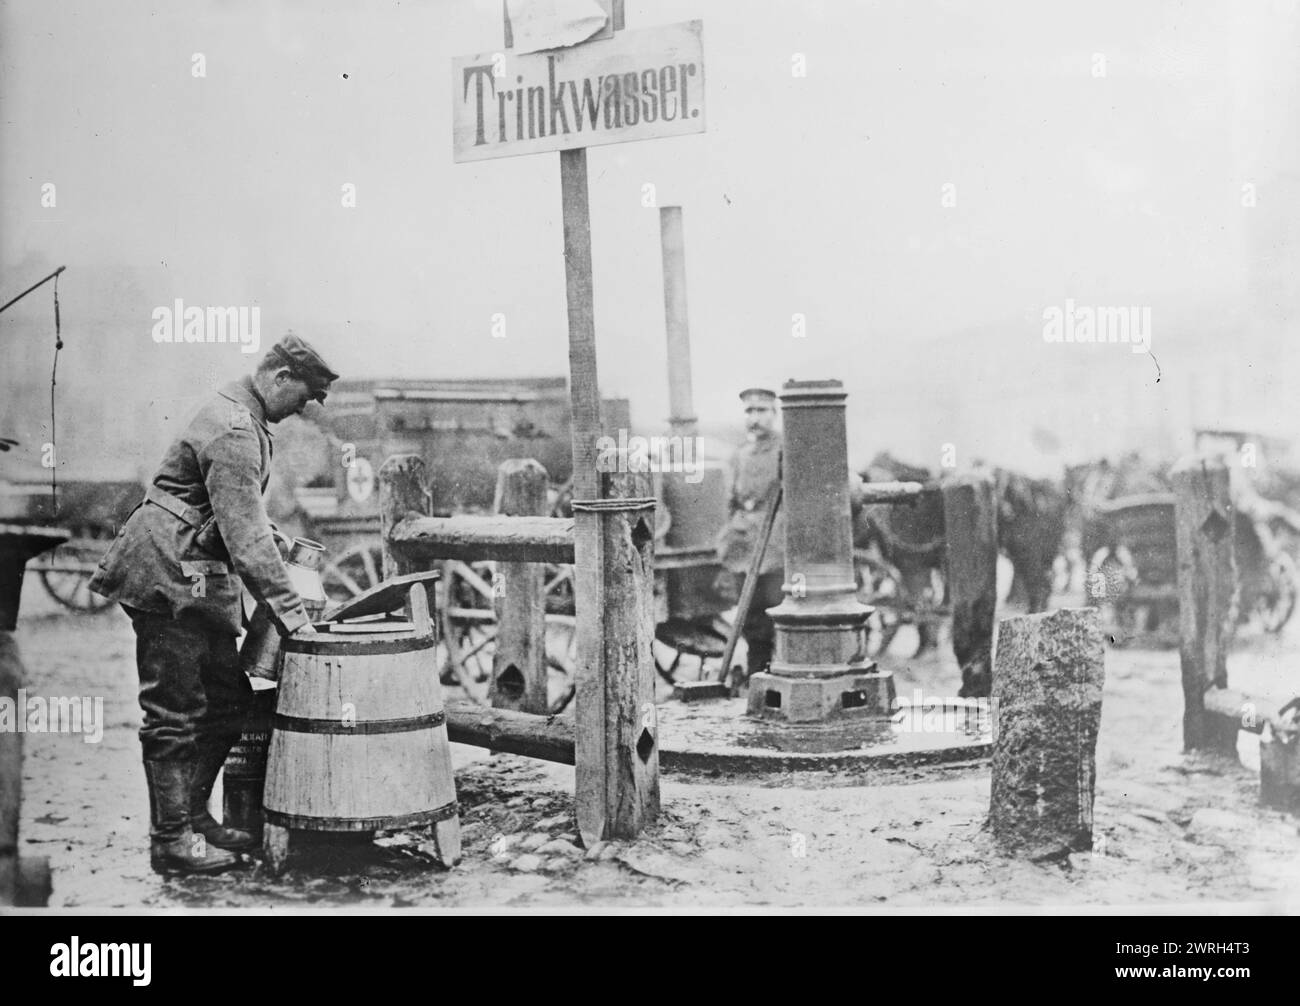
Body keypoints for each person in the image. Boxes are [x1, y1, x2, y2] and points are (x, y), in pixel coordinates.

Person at [90, 332, 339, 874]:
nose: (299, 411)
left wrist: (278, 548)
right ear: (278, 377)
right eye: (299, 398)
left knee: (226, 704)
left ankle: (192, 816)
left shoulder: (245, 418)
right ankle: (171, 840)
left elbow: (235, 513)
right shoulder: (233, 428)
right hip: (167, 579)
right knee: (173, 713)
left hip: (193, 579)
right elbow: (243, 537)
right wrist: (295, 620)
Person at [715, 387, 785, 679]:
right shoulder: (740, 454)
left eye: (761, 411)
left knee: (774, 609)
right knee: (750, 614)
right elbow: (732, 501)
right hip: (745, 543)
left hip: (775, 542)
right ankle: (758, 672)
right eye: (749, 412)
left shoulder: (785, 450)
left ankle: (777, 669)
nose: (754, 418)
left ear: (774, 414)